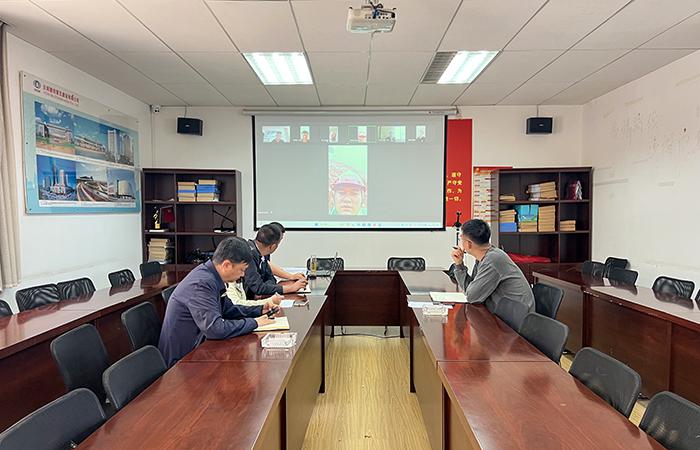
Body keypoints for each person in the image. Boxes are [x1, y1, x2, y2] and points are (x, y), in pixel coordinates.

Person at [158, 237, 276, 367]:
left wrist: (259, 309)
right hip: (181, 363)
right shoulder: (201, 284)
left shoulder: (211, 275)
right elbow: (215, 329)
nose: (243, 275)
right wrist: (255, 323)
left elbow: (228, 309)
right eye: (242, 270)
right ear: (226, 265)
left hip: (198, 349)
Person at [450, 219, 534, 311]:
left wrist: (459, 267)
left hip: (516, 315)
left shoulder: (492, 260)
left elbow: (472, 297)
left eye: (461, 239)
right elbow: (471, 289)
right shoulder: (485, 257)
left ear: (469, 244)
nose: (461, 242)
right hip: (507, 311)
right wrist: (459, 264)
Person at [244, 224, 307, 298]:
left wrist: (266, 289)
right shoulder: (249, 255)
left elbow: (270, 278)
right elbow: (258, 287)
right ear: (273, 246)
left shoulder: (263, 252)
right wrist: (291, 288)